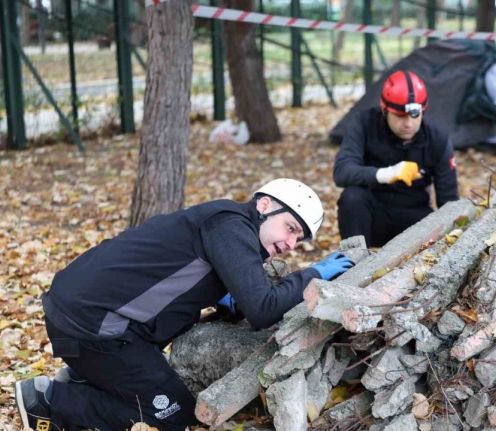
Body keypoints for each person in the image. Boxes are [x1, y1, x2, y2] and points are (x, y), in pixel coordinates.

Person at [14, 178, 355, 431]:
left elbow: (185, 279)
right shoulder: (232, 228)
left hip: (85, 316)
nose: (291, 244)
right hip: (91, 327)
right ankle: (48, 402)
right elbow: (263, 308)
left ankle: (83, 380)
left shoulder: (226, 224)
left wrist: (223, 295)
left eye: (300, 239)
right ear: (264, 205)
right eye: (291, 228)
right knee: (173, 412)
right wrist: (313, 276)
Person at [333, 70, 459, 247]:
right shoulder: (364, 123)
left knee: (433, 225)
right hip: (372, 211)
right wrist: (386, 174)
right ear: (385, 110)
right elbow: (342, 172)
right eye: (400, 116)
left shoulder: (437, 138)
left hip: (413, 214)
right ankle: (352, 262)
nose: (408, 123)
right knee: (352, 197)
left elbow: (449, 199)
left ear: (423, 110)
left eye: (415, 115)